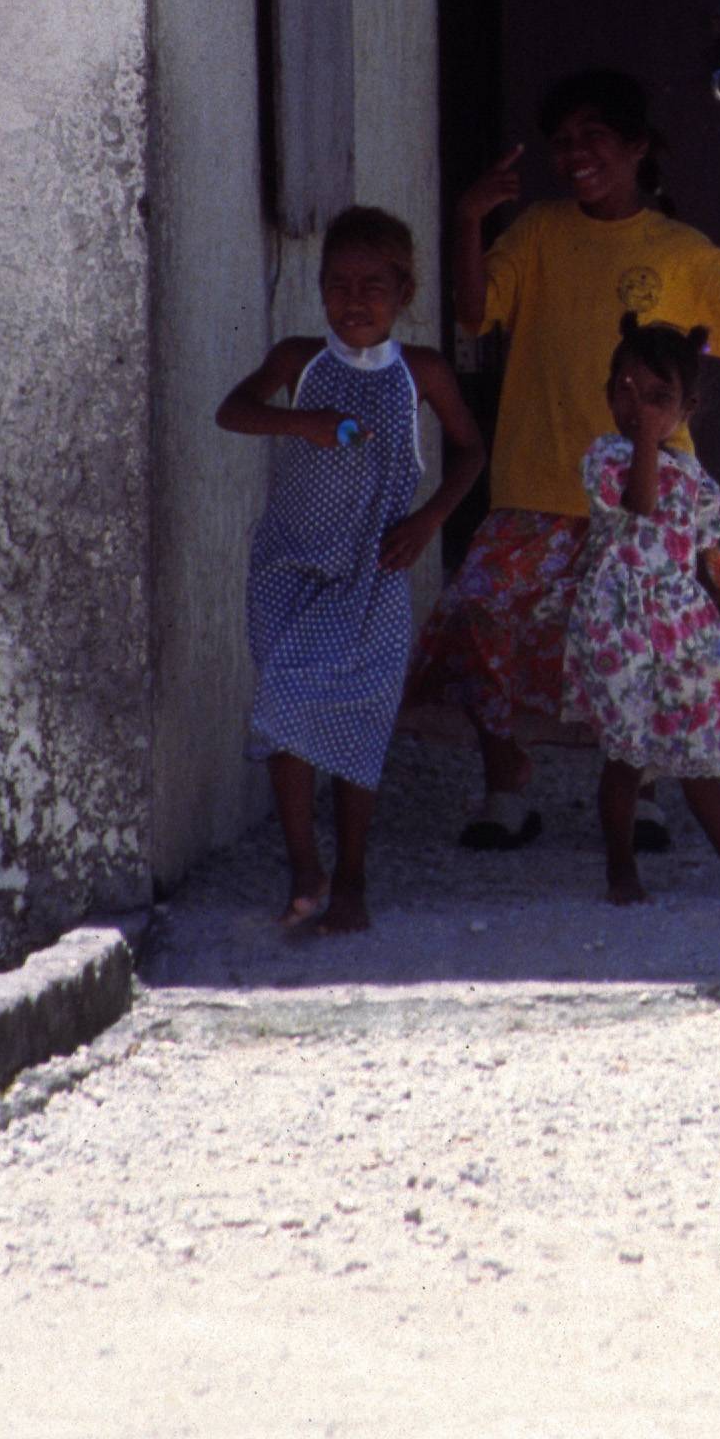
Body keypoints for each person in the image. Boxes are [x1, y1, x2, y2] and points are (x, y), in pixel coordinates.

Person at [415, 65, 720, 849]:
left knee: (644, 646)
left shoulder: (681, 251)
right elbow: (476, 314)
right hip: (535, 483)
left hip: (643, 507)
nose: (575, 153)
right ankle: (506, 792)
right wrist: (469, 219)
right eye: (563, 141)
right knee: (488, 626)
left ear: (639, 147)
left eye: (595, 137)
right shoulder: (539, 231)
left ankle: (642, 790)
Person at [214, 205, 480, 932]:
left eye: (373, 285)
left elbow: (470, 450)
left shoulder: (419, 372)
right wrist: (300, 421)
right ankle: (305, 866)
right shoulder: (301, 362)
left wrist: (430, 519)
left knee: (360, 723)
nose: (354, 300)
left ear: (404, 291)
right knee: (284, 710)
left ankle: (353, 876)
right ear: (320, 288)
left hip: (373, 576)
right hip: (288, 572)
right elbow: (232, 411)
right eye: (338, 284)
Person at [567, 322, 720, 907]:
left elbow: (699, 546)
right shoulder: (606, 457)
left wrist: (719, 595)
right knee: (627, 754)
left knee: (699, 751)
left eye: (658, 399)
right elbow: (641, 503)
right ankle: (621, 872)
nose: (639, 411)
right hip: (622, 623)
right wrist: (650, 442)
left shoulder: (695, 479)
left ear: (688, 407)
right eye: (626, 393)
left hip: (684, 625)